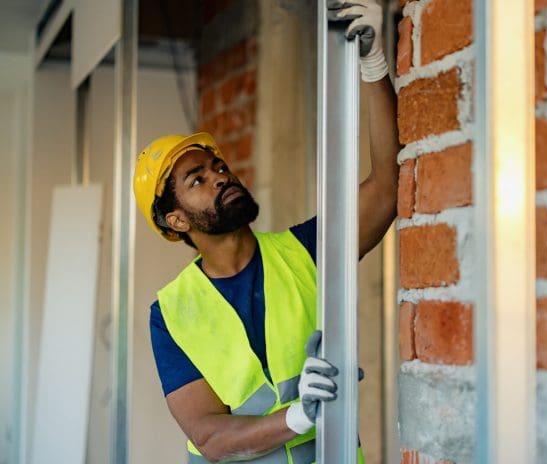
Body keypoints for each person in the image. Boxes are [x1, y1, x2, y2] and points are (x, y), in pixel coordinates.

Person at [132, 1, 398, 462]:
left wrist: (373, 65)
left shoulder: (307, 249)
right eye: (197, 179)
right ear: (176, 221)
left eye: (218, 166)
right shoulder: (171, 314)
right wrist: (299, 417)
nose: (220, 175)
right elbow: (210, 436)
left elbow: (389, 187)